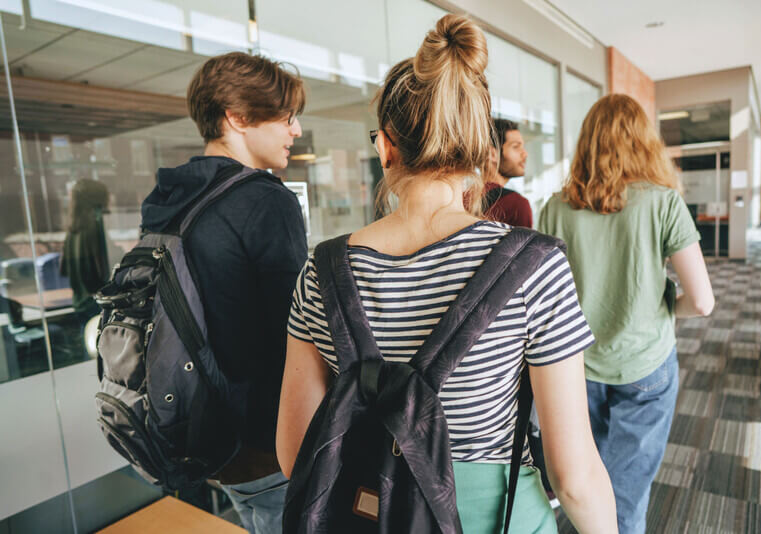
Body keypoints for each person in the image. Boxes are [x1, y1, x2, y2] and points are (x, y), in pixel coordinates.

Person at [277, 14, 617, 534]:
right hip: (494, 519)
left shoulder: (322, 271)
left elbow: (296, 450)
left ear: (385, 147)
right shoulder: (534, 266)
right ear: (483, 153)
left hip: (370, 513)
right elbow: (573, 476)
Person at [139, 52, 308, 534]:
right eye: (285, 117)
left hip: (205, 437)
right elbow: (300, 334)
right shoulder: (266, 200)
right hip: (269, 444)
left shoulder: (168, 199)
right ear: (237, 117)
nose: (294, 131)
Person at [538, 94, 714, 534]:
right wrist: (666, 305)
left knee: (583, 488)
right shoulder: (663, 202)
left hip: (575, 368)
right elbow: (704, 301)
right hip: (645, 364)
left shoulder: (554, 209)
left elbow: (542, 296)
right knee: (626, 496)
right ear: (643, 141)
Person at [61, 179, 110, 325]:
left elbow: (64, 270)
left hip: (80, 304)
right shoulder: (96, 228)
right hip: (96, 305)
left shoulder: (72, 232)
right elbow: (104, 271)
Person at [481, 118, 532, 227]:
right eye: (516, 147)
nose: (525, 154)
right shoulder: (517, 205)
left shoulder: (462, 199)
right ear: (492, 154)